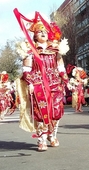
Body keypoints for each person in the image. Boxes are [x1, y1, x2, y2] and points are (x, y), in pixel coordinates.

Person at [15, 11, 69, 151]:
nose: (43, 33)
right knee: (41, 113)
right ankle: (42, 139)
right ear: (35, 35)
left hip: (55, 84)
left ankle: (53, 135)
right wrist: (31, 83)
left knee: (56, 112)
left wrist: (67, 80)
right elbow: (26, 70)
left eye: (45, 31)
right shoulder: (30, 51)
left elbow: (61, 67)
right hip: (39, 85)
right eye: (40, 31)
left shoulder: (55, 49)